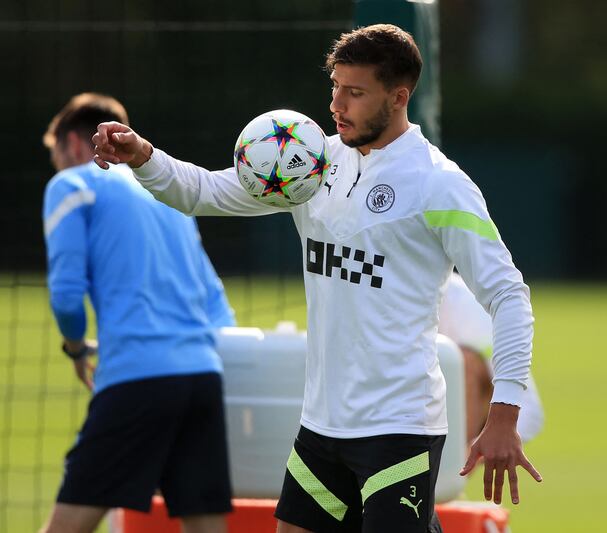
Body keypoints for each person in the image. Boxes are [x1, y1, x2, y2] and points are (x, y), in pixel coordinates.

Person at [92, 24, 541, 533]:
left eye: (354, 92)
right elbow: (205, 193)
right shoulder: (310, 163)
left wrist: (503, 411)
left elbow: (508, 295)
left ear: (399, 96)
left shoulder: (440, 185)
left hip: (399, 426)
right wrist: (144, 158)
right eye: (334, 88)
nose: (336, 105)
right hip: (321, 426)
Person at [40, 93, 235, 533]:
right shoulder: (165, 196)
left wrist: (74, 347)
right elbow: (216, 303)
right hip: (203, 377)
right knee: (206, 527)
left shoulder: (71, 186)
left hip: (136, 378)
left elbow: (66, 295)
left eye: (55, 155)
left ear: (74, 145)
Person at [439, 272, 544, 445]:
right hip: (389, 423)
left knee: (462, 362)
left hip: (437, 443)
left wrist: (476, 449)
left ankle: (447, 466)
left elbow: (528, 411)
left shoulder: (464, 303)